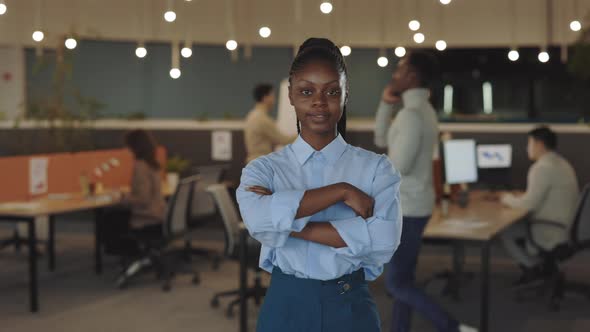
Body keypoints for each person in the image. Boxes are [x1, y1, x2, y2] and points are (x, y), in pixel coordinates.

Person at [237, 38, 402, 332]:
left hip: (351, 309)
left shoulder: (377, 168)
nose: (319, 102)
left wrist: (287, 226)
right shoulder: (264, 169)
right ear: (289, 95)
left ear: (345, 94)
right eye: (306, 91)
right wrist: (341, 191)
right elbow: (258, 221)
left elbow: (384, 241)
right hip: (285, 307)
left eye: (332, 91)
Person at [375, 51, 477, 332]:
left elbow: (400, 166)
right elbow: (381, 137)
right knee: (404, 279)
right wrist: (385, 103)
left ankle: (452, 327)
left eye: (400, 70)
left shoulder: (411, 116)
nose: (394, 75)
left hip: (406, 208)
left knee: (396, 283)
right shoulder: (423, 111)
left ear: (412, 77)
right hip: (415, 204)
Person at [500, 126, 579, 284]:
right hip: (567, 228)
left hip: (551, 230)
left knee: (505, 232)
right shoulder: (560, 163)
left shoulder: (541, 168)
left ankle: (532, 268)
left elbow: (528, 205)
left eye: (529, 143)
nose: (527, 148)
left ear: (539, 145)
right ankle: (543, 268)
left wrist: (506, 198)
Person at [244, 83, 296, 163]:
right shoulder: (262, 119)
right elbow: (283, 140)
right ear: (265, 98)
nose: (274, 100)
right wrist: (304, 135)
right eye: (272, 96)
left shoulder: (251, 115)